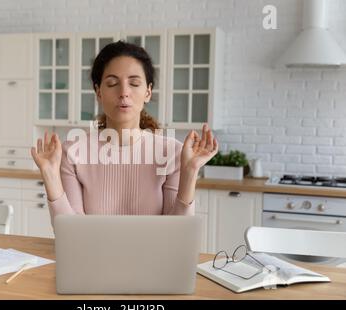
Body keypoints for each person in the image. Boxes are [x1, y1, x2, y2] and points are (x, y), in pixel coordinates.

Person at [31, 41, 218, 223]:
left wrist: (190, 171)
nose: (124, 92)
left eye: (135, 83)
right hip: (93, 255)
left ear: (148, 92)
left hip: (153, 255)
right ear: (98, 92)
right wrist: (50, 175)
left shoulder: (172, 153)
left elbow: (178, 236)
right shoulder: (73, 152)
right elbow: (69, 233)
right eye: (112, 84)